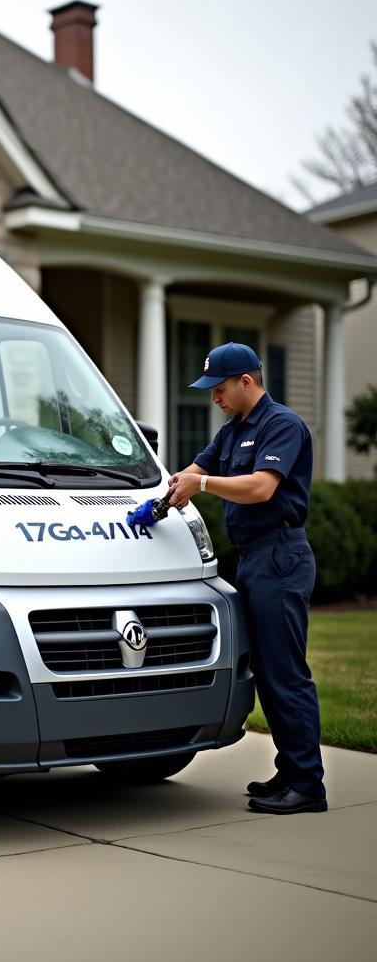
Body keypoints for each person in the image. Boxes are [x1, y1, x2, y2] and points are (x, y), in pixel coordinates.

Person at [168, 342, 326, 815]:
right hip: (254, 558)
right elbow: (194, 470)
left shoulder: (281, 426)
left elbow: (261, 487)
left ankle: (308, 786)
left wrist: (203, 485)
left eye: (218, 389)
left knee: (286, 673)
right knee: (267, 673)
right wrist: (163, 495)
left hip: (280, 555)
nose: (213, 398)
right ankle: (290, 772)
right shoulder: (233, 431)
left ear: (246, 382)